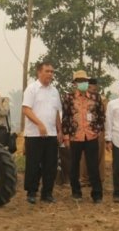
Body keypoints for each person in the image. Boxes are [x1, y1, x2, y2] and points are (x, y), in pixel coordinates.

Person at [61, 70, 105, 204]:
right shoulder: (69, 98)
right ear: (75, 83)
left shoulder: (95, 97)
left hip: (91, 136)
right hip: (75, 137)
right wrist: (66, 136)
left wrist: (96, 130)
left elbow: (101, 116)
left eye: (85, 81)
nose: (83, 83)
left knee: (93, 166)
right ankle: (76, 192)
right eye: (80, 81)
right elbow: (66, 117)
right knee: (74, 166)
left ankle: (97, 195)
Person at [22, 62, 63, 204]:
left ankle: (47, 193)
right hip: (34, 135)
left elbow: (57, 112)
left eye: (52, 71)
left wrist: (60, 130)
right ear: (39, 72)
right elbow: (26, 109)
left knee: (50, 165)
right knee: (33, 164)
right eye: (47, 71)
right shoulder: (31, 89)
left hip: (51, 134)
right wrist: (39, 124)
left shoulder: (54, 91)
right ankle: (32, 192)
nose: (50, 74)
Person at [79, 78, 107, 185]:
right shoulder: (81, 98)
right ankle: (84, 178)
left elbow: (105, 115)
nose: (93, 89)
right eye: (90, 87)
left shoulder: (102, 99)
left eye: (95, 88)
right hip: (84, 130)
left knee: (99, 155)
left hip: (99, 131)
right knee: (84, 155)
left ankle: (99, 178)